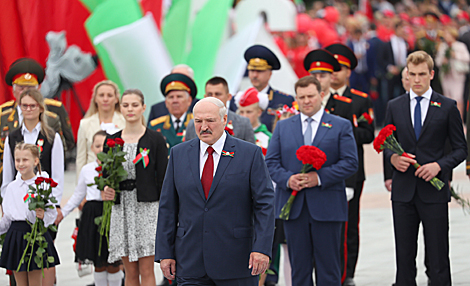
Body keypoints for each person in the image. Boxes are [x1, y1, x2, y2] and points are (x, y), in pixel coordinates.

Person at [156, 97, 275, 286]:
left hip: (237, 262)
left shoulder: (249, 154)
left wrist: (262, 248)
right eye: (198, 121)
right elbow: (167, 207)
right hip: (190, 262)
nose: (204, 127)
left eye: (210, 120)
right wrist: (165, 253)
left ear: (224, 119)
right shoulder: (178, 154)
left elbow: (265, 206)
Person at [265, 76, 358, 286]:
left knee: (329, 269)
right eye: (302, 97)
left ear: (321, 95)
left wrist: (319, 178)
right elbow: (270, 163)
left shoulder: (340, 126)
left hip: (327, 207)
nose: (306, 101)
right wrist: (288, 180)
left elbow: (351, 163)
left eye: (311, 96)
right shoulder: (283, 127)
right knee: (299, 269)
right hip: (293, 208)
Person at [384, 51, 466, 286]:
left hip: (433, 192)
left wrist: (439, 166)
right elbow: (388, 143)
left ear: (431, 74)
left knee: (438, 256)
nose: (416, 79)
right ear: (406, 75)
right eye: (412, 74)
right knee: (404, 256)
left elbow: (461, 149)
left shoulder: (447, 106)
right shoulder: (394, 106)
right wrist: (393, 160)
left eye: (422, 74)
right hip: (403, 192)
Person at [101, 89, 168, 286]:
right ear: (120, 108)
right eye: (126, 105)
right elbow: (105, 175)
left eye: (135, 105)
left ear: (143, 108)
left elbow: (163, 177)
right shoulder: (111, 140)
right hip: (121, 208)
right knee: (129, 271)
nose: (130, 109)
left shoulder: (155, 139)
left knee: (146, 269)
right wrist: (106, 189)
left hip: (146, 207)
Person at [1, 89, 64, 286]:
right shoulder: (13, 136)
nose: (28, 109)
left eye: (32, 105)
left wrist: (51, 205)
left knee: (42, 265)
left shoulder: (51, 136)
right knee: (18, 272)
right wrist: (8, 205)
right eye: (24, 105)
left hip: (42, 204)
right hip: (16, 209)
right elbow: (8, 174)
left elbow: (58, 176)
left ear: (40, 108)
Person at [325, 43, 375, 286]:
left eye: (340, 68)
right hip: (322, 170)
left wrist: (344, 133)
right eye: (330, 68)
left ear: (349, 72)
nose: (334, 72)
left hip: (352, 172)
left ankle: (348, 273)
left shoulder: (359, 100)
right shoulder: (319, 98)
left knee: (349, 224)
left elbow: (369, 134)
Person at [56, 130, 123, 286]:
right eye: (97, 145)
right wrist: (62, 213)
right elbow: (78, 195)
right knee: (98, 263)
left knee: (113, 262)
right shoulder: (87, 170)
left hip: (112, 215)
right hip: (92, 216)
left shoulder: (117, 168)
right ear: (92, 148)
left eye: (104, 145)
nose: (101, 149)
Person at [0, 58, 73, 187]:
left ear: (39, 88)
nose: (26, 92)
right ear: (13, 89)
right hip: (9, 183)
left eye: (30, 88)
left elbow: (66, 143)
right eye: (21, 88)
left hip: (44, 187)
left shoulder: (53, 113)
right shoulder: (3, 115)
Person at [0, 142, 60, 286]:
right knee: (20, 283)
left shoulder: (43, 185)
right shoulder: (11, 188)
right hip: (16, 236)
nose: (21, 164)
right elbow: (7, 218)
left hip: (35, 235)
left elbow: (52, 214)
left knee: (35, 282)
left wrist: (42, 216)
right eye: (17, 160)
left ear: (35, 161)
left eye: (25, 160)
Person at [237, 44, 295, 132]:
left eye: (260, 71)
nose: (255, 75)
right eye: (252, 70)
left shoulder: (284, 101)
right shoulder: (238, 99)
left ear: (270, 73)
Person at [76, 80, 126, 178]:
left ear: (116, 99)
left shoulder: (125, 122)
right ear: (95, 98)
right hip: (92, 178)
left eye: (109, 95)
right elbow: (81, 158)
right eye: (101, 95)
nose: (105, 99)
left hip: (119, 177)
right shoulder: (85, 124)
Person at [185, 77, 255, 144]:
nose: (214, 97)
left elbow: (250, 153)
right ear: (205, 97)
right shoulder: (192, 124)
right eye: (210, 94)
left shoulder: (243, 123)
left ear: (229, 97)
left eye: (218, 94)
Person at [149, 73, 197, 152]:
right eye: (171, 97)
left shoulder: (197, 123)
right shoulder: (155, 126)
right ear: (166, 102)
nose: (175, 101)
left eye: (179, 97)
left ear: (189, 101)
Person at [435, 26, 470, 119]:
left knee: (457, 98)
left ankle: (459, 120)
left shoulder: (460, 45)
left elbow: (467, 58)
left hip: (457, 76)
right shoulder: (443, 46)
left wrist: (455, 55)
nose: (446, 36)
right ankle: (448, 120)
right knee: (446, 97)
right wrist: (443, 61)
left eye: (447, 34)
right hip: (446, 75)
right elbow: (437, 61)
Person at [235, 87, 270, 155]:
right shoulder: (233, 133)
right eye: (241, 112)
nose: (244, 116)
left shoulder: (268, 137)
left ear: (259, 112)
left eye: (249, 112)